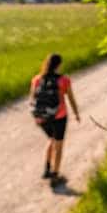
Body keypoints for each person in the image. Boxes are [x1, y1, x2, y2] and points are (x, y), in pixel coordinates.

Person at [29, 54, 80, 186]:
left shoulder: (37, 79)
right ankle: (55, 176)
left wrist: (37, 116)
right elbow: (71, 99)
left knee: (51, 140)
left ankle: (47, 169)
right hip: (59, 117)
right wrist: (76, 113)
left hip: (42, 118)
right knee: (59, 146)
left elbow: (32, 100)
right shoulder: (64, 80)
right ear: (59, 65)